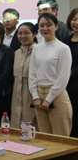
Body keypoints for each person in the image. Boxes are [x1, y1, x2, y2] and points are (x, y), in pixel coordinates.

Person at [29, 13, 72, 136]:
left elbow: (63, 77)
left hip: (57, 95)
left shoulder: (63, 48)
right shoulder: (36, 48)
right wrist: (36, 97)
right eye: (41, 25)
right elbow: (32, 74)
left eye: (49, 25)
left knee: (60, 137)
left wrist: (48, 99)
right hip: (39, 95)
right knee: (44, 137)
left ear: (56, 27)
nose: (45, 28)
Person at [11, 22, 38, 129]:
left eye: (26, 33)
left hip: (32, 95)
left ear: (34, 34)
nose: (23, 36)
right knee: (16, 127)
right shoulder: (16, 53)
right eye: (20, 33)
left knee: (32, 128)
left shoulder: (39, 52)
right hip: (16, 96)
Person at [62, 8, 78, 137]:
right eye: (74, 19)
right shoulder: (65, 40)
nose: (76, 23)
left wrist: (72, 72)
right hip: (65, 87)